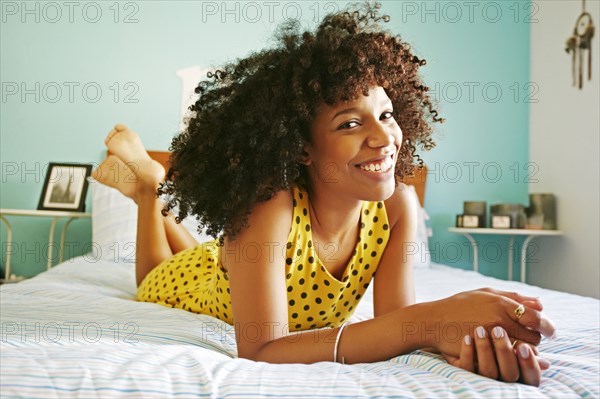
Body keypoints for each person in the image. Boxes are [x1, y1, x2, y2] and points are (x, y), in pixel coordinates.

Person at [92, 2, 555, 386]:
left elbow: (397, 328)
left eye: (387, 114)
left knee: (214, 257)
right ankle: (153, 190)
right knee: (153, 279)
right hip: (200, 281)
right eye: (350, 123)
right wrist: (433, 319)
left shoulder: (398, 209)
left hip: (235, 262)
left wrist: (464, 334)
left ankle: (156, 189)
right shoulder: (268, 205)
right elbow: (261, 349)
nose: (383, 138)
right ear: (303, 149)